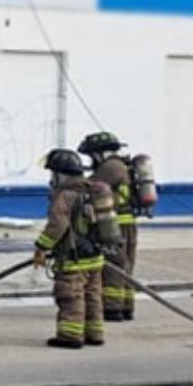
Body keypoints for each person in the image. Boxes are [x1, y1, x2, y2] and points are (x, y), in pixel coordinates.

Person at [32, 148, 121, 349]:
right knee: (93, 296)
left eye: (52, 174)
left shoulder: (66, 195)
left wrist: (41, 248)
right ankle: (95, 334)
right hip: (96, 257)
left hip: (74, 258)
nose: (51, 179)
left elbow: (57, 226)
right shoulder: (93, 190)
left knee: (71, 296)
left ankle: (70, 336)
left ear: (60, 174)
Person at [81, 130, 140, 322]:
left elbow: (88, 187)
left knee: (113, 266)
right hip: (128, 224)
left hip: (115, 225)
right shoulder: (121, 165)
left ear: (101, 152)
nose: (91, 160)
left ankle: (112, 309)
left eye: (92, 155)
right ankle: (126, 307)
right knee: (125, 265)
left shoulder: (110, 167)